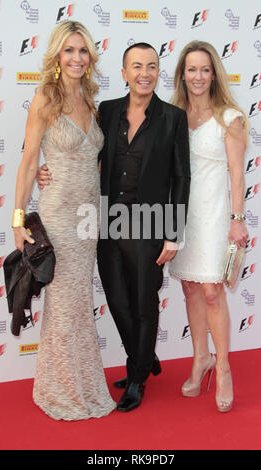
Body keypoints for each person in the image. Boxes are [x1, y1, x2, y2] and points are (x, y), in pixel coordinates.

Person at [12, 20, 116, 421]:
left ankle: (84, 383)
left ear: (90, 58)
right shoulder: (45, 99)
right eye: (69, 50)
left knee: (78, 303)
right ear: (57, 55)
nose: (76, 58)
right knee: (63, 303)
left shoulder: (92, 100)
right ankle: (60, 389)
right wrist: (18, 221)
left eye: (83, 51)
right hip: (58, 213)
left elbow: (97, 161)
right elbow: (27, 163)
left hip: (89, 217)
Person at [96, 43, 190, 412]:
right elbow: (88, 154)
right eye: (137, 66)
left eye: (151, 66)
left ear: (158, 72)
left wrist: (173, 230)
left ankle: (136, 378)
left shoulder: (172, 117)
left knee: (143, 301)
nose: (144, 73)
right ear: (124, 73)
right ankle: (145, 355)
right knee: (118, 301)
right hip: (107, 223)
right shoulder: (107, 111)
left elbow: (181, 176)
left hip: (149, 222)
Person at [169, 40, 249, 413]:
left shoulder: (230, 117)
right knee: (189, 287)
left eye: (204, 69)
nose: (198, 76)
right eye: (191, 69)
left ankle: (224, 368)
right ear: (182, 74)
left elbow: (237, 174)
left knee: (212, 291)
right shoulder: (171, 114)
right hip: (182, 214)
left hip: (216, 213)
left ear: (213, 73)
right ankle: (200, 357)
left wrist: (237, 220)